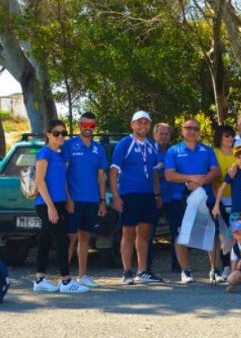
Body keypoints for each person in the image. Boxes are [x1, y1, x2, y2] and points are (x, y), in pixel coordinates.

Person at [31, 120, 89, 294]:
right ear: (48, 134)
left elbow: (62, 180)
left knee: (45, 241)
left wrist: (68, 199)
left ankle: (39, 279)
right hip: (46, 204)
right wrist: (50, 207)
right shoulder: (44, 153)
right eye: (56, 133)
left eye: (63, 133)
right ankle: (65, 281)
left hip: (59, 203)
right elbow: (40, 182)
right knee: (62, 240)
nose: (60, 136)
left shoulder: (59, 154)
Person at [163, 118, 221, 284]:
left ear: (199, 131)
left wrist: (200, 182)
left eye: (196, 128)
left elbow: (215, 172)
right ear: (182, 130)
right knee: (181, 234)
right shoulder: (174, 150)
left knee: (212, 233)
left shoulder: (207, 150)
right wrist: (189, 179)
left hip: (206, 197)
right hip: (181, 199)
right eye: (188, 128)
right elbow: (169, 175)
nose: (192, 131)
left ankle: (215, 269)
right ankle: (186, 271)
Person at [110, 110, 164, 284]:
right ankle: (127, 271)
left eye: (145, 123)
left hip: (147, 194)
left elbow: (155, 172)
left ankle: (142, 271)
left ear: (149, 126)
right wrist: (116, 197)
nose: (142, 125)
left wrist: (157, 193)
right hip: (129, 193)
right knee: (127, 232)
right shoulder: (125, 144)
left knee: (144, 233)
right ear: (132, 125)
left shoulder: (151, 145)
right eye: (139, 122)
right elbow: (113, 172)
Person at [64, 112, 107, 288]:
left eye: (92, 125)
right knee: (70, 237)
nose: (88, 128)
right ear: (79, 125)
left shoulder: (99, 148)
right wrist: (68, 198)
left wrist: (102, 200)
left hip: (91, 200)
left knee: (85, 238)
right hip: (74, 199)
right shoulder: (69, 145)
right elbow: (63, 174)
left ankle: (82, 275)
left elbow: (101, 176)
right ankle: (64, 277)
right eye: (85, 125)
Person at [149, 121, 179, 273]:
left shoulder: (175, 151)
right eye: (160, 133)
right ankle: (146, 267)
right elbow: (150, 173)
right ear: (154, 135)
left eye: (166, 134)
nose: (163, 136)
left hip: (174, 196)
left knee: (177, 232)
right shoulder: (148, 150)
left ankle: (178, 264)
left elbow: (178, 172)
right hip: (154, 197)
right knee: (149, 232)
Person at [211, 124, 238, 275]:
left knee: (235, 234)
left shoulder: (237, 153)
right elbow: (213, 177)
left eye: (232, 135)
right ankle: (226, 266)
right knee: (223, 234)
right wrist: (217, 201)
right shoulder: (213, 153)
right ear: (219, 137)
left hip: (237, 200)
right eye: (226, 135)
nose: (230, 138)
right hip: (219, 199)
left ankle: (237, 265)